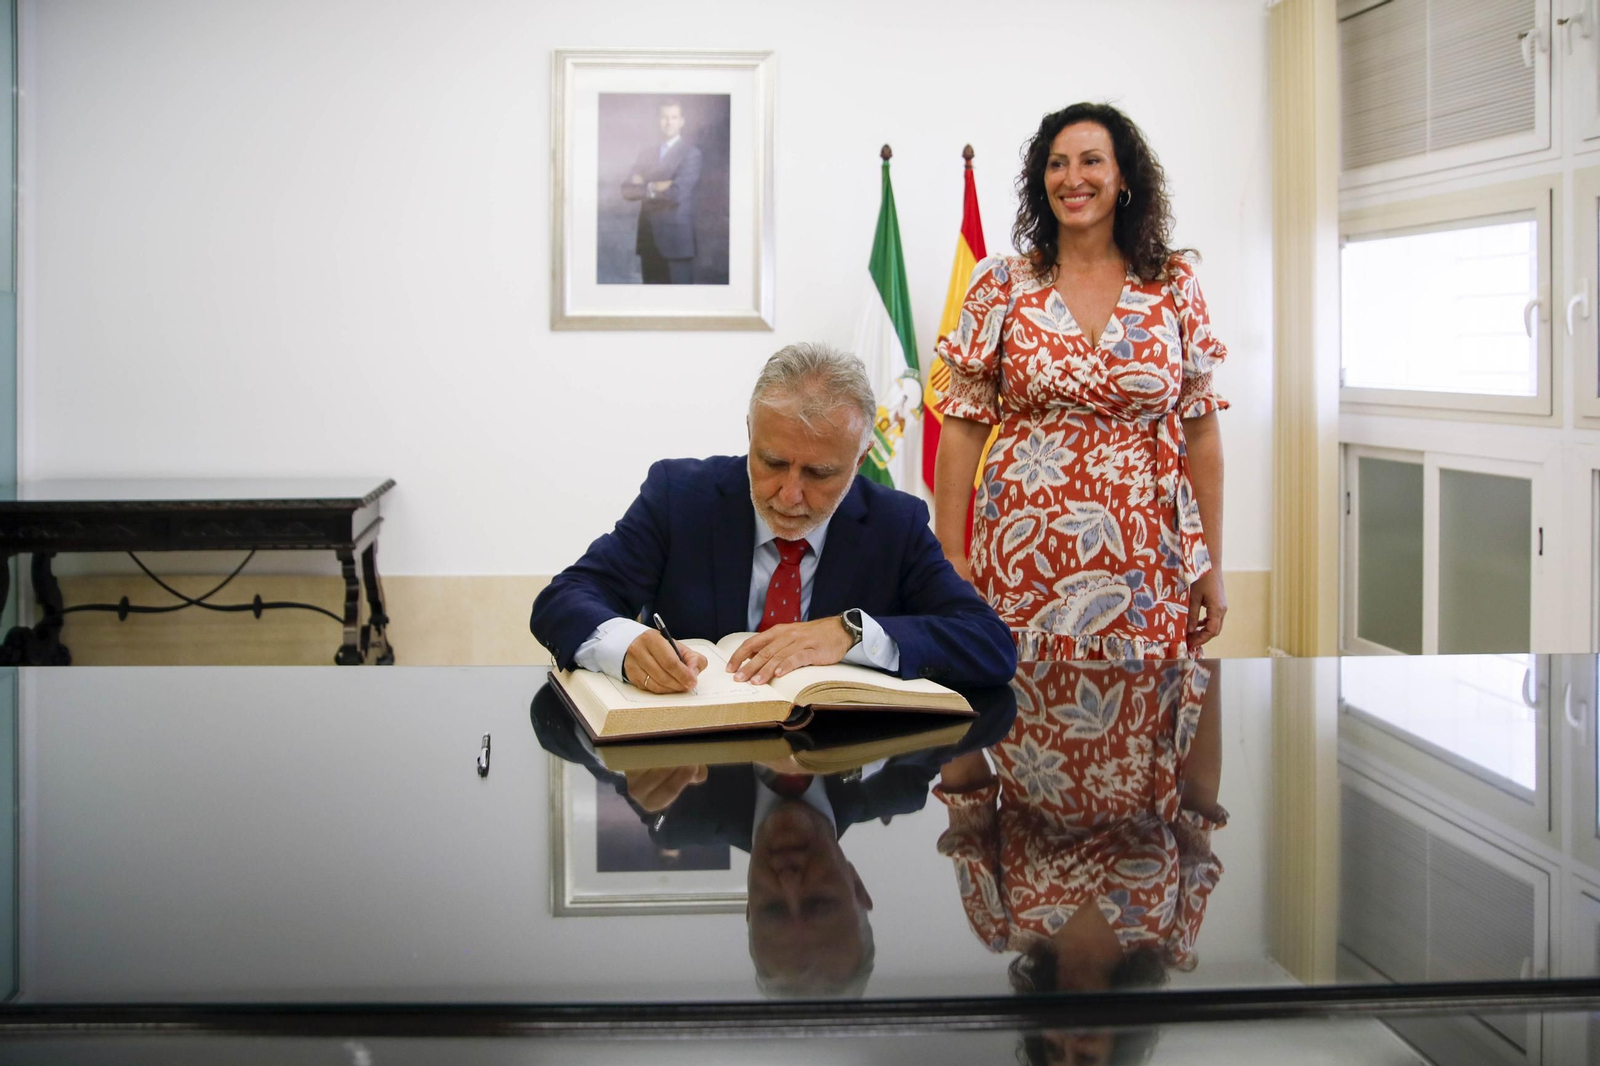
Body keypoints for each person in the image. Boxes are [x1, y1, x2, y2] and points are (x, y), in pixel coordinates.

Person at [530, 342, 1017, 694]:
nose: (790, 494)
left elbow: (989, 645)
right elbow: (563, 600)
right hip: (698, 768)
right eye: (772, 462)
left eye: (820, 473)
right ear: (750, 433)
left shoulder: (896, 524)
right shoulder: (680, 497)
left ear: (861, 458)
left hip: (840, 767)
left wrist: (851, 633)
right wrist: (626, 643)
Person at [931, 102, 1229, 662]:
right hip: (1021, 551)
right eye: (1057, 164)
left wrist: (1210, 564)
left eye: (1091, 161)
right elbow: (963, 426)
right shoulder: (1001, 284)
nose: (1072, 178)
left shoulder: (1173, 283)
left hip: (1147, 555)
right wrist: (950, 554)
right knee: (1016, 697)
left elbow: (1202, 434)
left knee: (1144, 703)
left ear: (1124, 178)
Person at [527, 681, 1019, 998]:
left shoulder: (682, 814)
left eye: (772, 910)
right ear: (857, 888)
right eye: (819, 903)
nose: (788, 880)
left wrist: (623, 755)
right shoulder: (897, 788)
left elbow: (549, 718)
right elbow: (992, 701)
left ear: (748, 907)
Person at [934, 659, 1226, 1065]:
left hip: (1024, 669)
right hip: (1142, 670)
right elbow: (1198, 792)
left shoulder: (997, 923)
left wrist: (949, 658)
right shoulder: (1174, 937)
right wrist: (1209, 662)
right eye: (1086, 1059)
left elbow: (964, 777)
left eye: (1054, 1051)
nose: (1069, 1040)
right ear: (1122, 1045)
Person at [620, 100, 702, 285]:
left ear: (682, 121)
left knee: (679, 299)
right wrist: (654, 186)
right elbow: (626, 190)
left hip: (676, 243)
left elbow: (677, 193)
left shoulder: (691, 154)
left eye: (674, 117)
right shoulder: (646, 153)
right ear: (658, 120)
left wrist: (644, 186)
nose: (669, 122)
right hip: (648, 240)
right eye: (664, 117)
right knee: (650, 299)